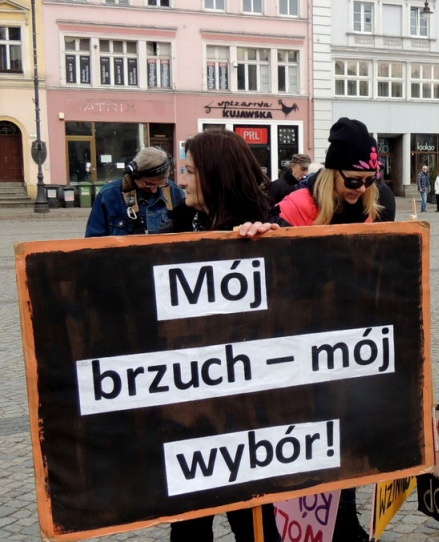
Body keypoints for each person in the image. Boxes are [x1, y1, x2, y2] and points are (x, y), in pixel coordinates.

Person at [242, 117, 387, 542]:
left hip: (344, 346)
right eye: (353, 179)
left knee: (344, 435)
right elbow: (274, 281)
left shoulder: (374, 206)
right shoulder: (293, 208)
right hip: (298, 346)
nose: (359, 188)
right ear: (331, 171)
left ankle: (344, 519)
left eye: (368, 180)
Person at [163, 128, 280, 542]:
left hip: (248, 415)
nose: (183, 180)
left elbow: (298, 309)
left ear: (215, 175)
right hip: (191, 408)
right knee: (190, 525)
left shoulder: (267, 229)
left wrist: (272, 247)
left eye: (191, 171)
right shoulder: (177, 226)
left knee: (256, 524)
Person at [85, 146, 184, 237]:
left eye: (160, 185)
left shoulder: (175, 193)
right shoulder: (108, 196)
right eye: (149, 183)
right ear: (135, 175)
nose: (154, 190)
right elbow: (93, 241)